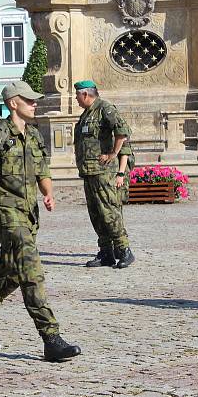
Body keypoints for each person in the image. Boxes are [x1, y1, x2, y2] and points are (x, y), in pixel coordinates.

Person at [0, 80, 81, 362]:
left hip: (29, 214)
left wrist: (49, 194)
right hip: (6, 214)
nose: (34, 103)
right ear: (13, 103)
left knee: (10, 274)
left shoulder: (34, 135)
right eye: (29, 100)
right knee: (31, 270)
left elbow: (43, 172)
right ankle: (51, 338)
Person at [73, 80, 135, 269]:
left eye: (77, 95)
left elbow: (122, 131)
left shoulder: (104, 109)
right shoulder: (87, 114)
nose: (76, 98)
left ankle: (124, 250)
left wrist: (113, 155)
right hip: (89, 172)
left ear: (85, 94)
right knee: (97, 215)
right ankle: (106, 252)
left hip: (103, 173)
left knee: (109, 213)